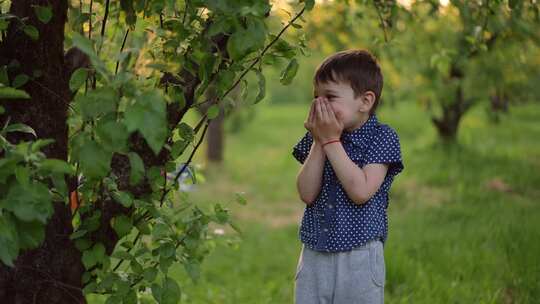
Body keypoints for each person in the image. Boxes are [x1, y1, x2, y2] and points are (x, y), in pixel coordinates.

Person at [292, 49, 404, 304]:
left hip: (359, 257)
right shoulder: (318, 138)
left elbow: (361, 191)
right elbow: (307, 193)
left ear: (365, 101)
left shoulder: (382, 137)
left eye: (329, 97)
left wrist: (331, 140)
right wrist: (320, 142)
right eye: (316, 97)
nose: (320, 105)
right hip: (314, 254)